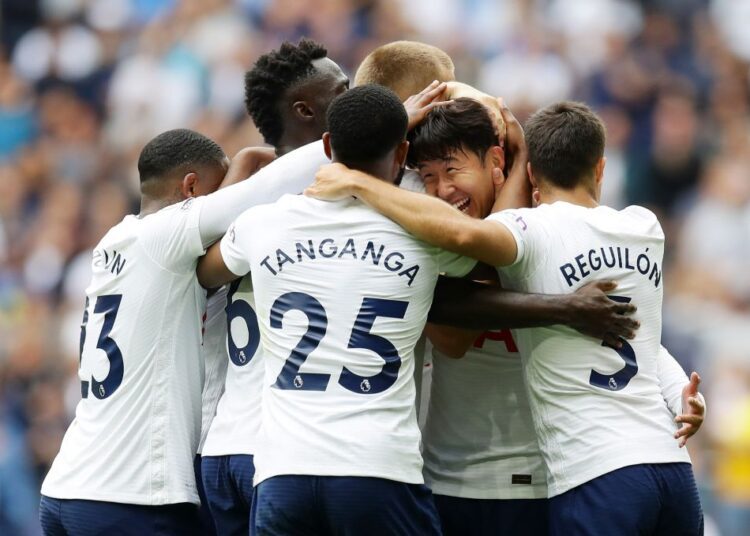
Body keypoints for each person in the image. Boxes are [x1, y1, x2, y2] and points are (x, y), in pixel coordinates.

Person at [306, 100, 705, 535]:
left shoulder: (530, 234)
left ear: (502, 163)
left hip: (560, 480)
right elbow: (458, 332)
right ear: (600, 169)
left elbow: (632, 328)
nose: (441, 191)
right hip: (462, 482)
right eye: (428, 177)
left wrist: (673, 386)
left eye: (452, 171)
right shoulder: (637, 225)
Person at [38, 126, 346, 536]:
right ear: (189, 188)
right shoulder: (165, 236)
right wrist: (372, 126)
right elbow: (264, 189)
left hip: (67, 487)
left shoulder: (116, 240)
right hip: (129, 499)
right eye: (217, 191)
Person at [197, 84, 474, 534]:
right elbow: (486, 253)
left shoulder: (264, 224)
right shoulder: (428, 232)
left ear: (327, 146)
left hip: (283, 472)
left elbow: (206, 272)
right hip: (378, 469)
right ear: (403, 152)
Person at [244, 38, 350, 157]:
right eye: (343, 90)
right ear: (305, 111)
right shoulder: (349, 170)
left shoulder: (261, 172)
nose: (354, 97)